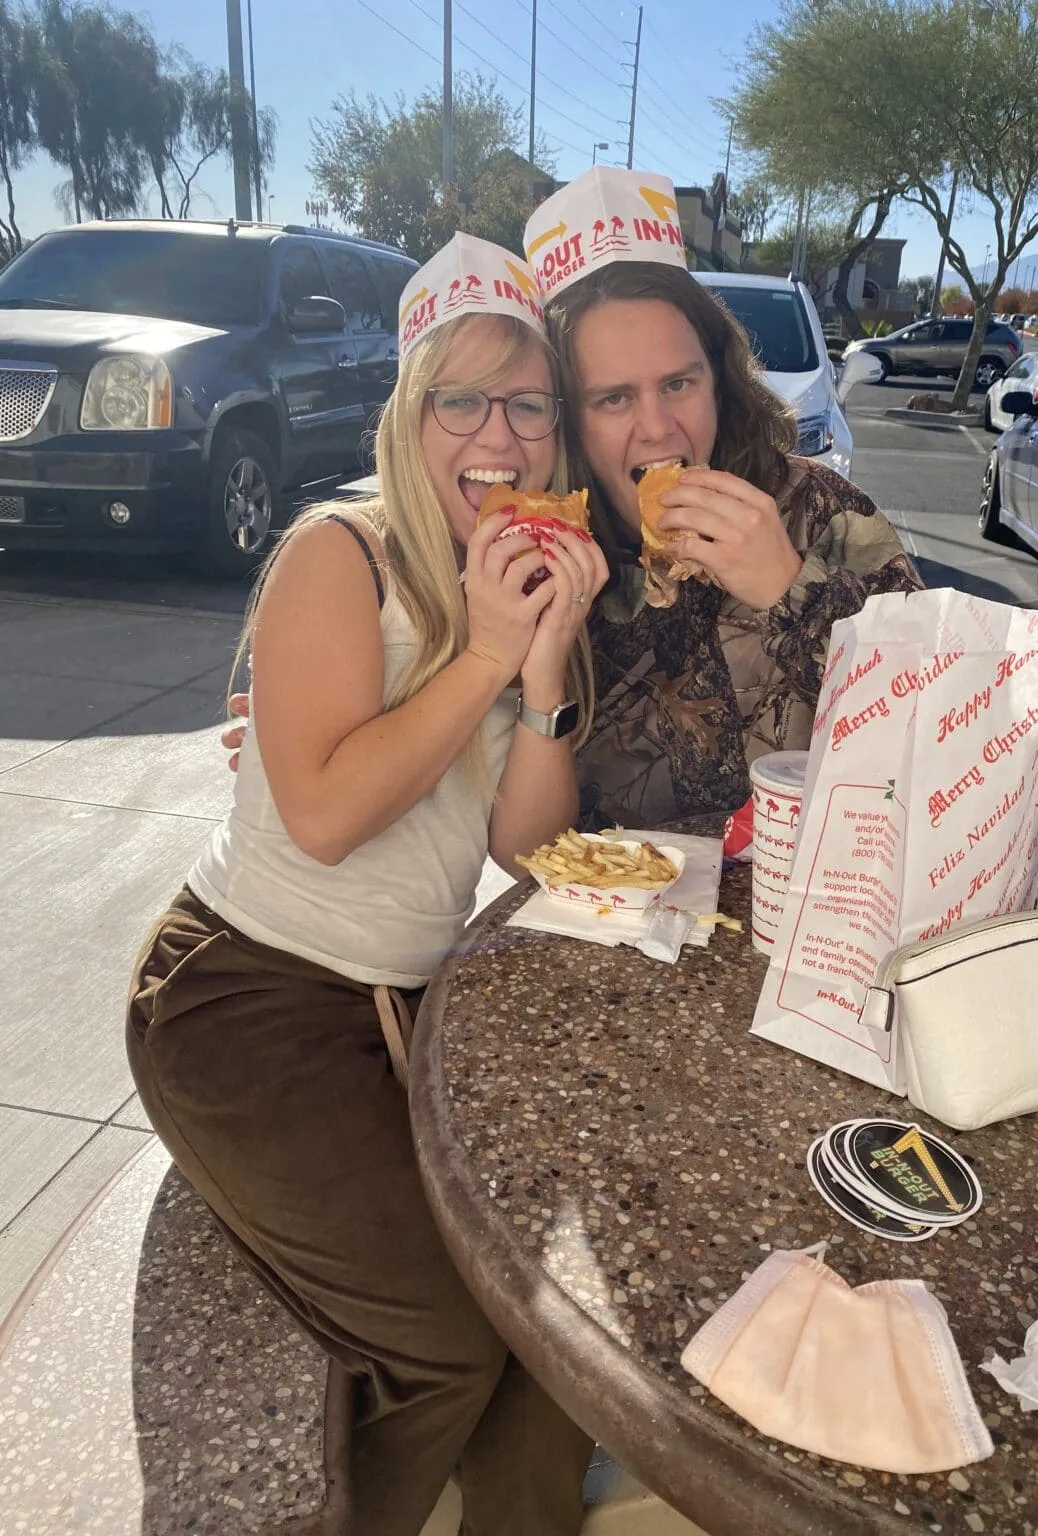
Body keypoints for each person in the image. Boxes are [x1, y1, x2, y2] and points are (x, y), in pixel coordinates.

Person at [126, 233, 607, 1536]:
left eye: (527, 405)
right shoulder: (338, 554)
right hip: (239, 1000)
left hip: (388, 1015)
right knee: (451, 1338)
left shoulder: (504, 584)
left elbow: (524, 849)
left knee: (542, 1319)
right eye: (462, 398)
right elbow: (327, 814)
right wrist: (487, 652)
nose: (496, 435)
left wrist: (546, 667)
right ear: (411, 415)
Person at [225, 168, 921, 829]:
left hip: (826, 910)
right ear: (569, 419)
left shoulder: (818, 511)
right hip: (614, 930)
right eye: (614, 397)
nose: (657, 428)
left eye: (679, 383)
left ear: (719, 380)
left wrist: (792, 593)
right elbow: (480, 774)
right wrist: (295, 718)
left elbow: (947, 737)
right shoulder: (538, 566)